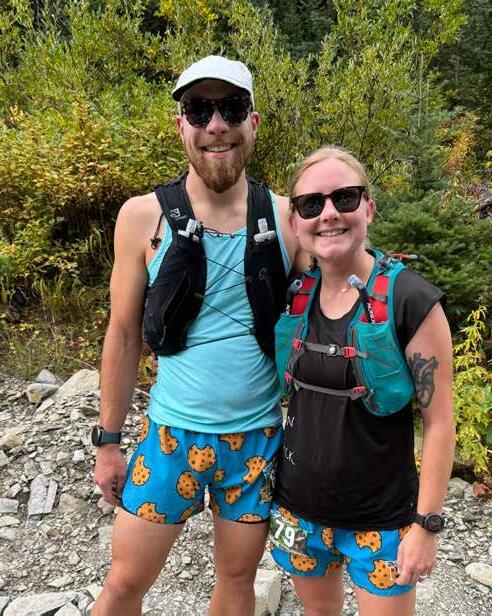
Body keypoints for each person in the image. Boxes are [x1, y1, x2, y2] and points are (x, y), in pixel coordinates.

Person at [91, 55, 306, 616]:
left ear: (252, 122)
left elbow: (337, 302)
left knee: (237, 583)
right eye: (199, 110)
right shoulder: (142, 217)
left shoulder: (287, 220)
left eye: (231, 109)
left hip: (257, 442)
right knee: (123, 585)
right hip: (171, 438)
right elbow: (122, 334)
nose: (216, 125)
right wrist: (108, 442)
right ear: (180, 125)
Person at [269, 146, 455, 616]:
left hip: (382, 520)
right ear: (295, 221)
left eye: (345, 198)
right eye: (312, 203)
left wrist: (426, 526)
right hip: (299, 511)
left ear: (369, 208)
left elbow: (439, 423)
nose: (329, 213)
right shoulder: (294, 295)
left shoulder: (410, 299)